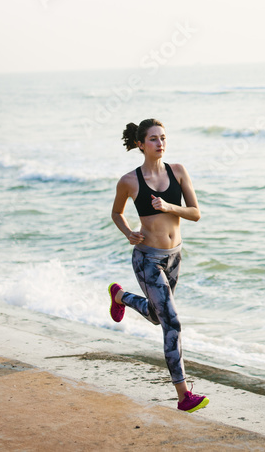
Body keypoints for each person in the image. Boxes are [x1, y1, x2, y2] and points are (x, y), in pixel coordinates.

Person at [107, 118, 209, 413]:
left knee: (157, 316)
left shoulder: (178, 172)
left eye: (163, 138)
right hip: (147, 259)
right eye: (153, 139)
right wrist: (128, 233)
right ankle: (183, 395)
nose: (160, 143)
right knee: (172, 322)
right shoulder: (129, 181)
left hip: (174, 256)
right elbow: (116, 213)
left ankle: (120, 296)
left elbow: (195, 213)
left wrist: (168, 207)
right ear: (140, 144)